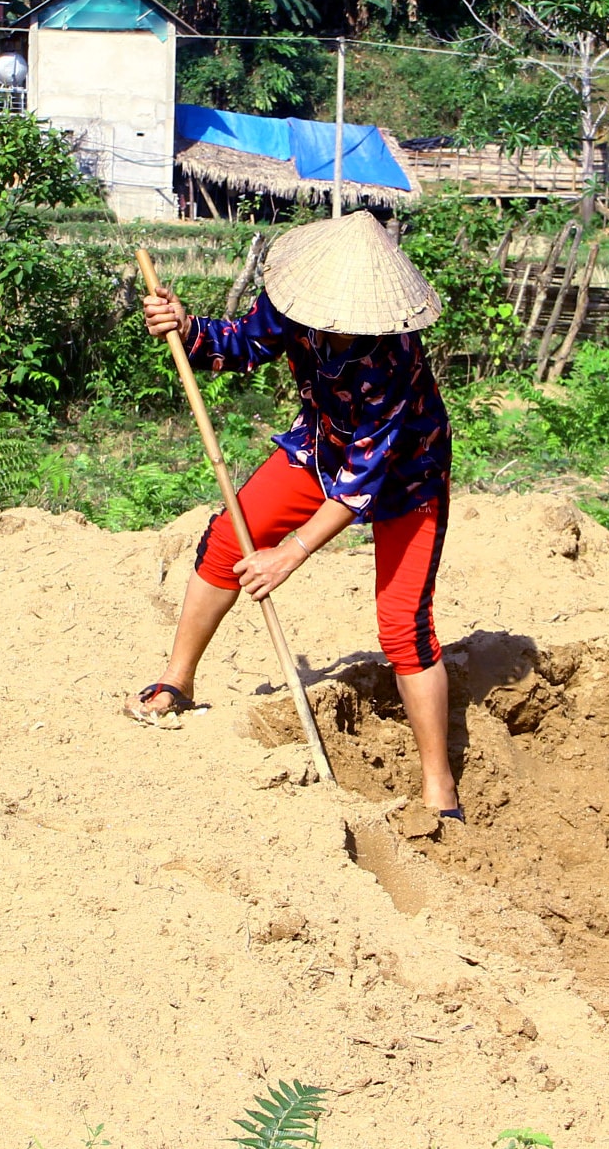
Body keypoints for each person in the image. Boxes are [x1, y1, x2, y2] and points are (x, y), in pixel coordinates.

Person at [130, 211, 461, 819]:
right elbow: (242, 343)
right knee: (230, 538)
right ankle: (177, 681)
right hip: (321, 448)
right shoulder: (293, 304)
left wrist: (293, 552)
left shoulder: (391, 358)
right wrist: (187, 327)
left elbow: (362, 484)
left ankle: (438, 782)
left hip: (405, 476)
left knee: (402, 626)